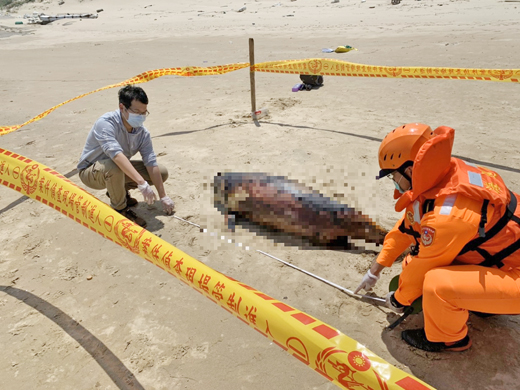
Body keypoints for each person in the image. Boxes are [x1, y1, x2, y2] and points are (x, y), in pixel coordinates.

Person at [355, 123, 520, 352]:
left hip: (516, 274)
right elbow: (406, 229)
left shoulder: (449, 214)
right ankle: (484, 303)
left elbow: (423, 264)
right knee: (422, 265)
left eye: (393, 175)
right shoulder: (443, 176)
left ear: (411, 171)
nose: (393, 181)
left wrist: (399, 299)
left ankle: (448, 339)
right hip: (507, 258)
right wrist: (376, 269)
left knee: (436, 284)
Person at [77, 85, 175, 228]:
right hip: (90, 172)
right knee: (113, 166)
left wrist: (163, 196)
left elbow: (150, 161)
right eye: (136, 112)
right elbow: (116, 155)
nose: (141, 117)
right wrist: (141, 183)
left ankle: (118, 192)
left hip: (115, 169)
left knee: (161, 172)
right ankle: (120, 210)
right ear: (122, 107)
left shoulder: (142, 133)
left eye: (144, 112)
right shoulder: (106, 123)